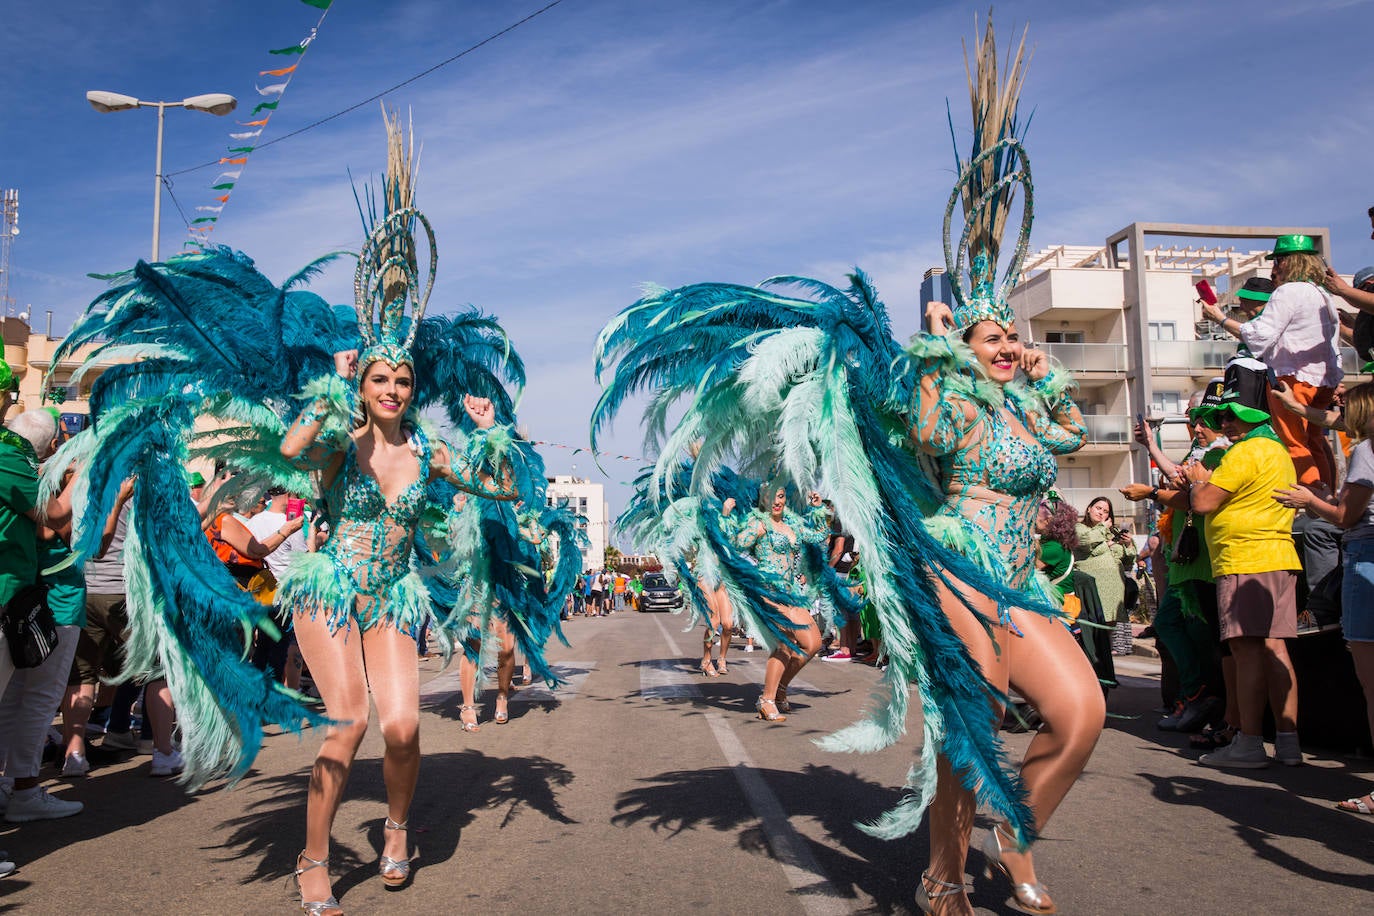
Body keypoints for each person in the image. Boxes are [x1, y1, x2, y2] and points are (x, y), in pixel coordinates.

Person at [1182, 361, 1302, 768]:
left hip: (1245, 560)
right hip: (1277, 558)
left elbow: (1202, 503)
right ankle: (1287, 741)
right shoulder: (1276, 451)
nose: (1226, 423)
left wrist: (1199, 478)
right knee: (1274, 648)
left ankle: (1249, 743)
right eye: (1224, 417)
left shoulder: (1244, 453)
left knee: (1247, 651)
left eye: (1232, 417)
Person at [1272, 381, 1374, 811]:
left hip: (1367, 554)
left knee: (1372, 683)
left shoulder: (1366, 450)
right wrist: (1292, 405)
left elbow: (1346, 516)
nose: (1338, 412)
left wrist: (1307, 500)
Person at [1121, 384, 1230, 734]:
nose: (1195, 427)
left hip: (1202, 560)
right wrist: (1151, 446)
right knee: (1171, 626)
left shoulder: (1220, 453)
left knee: (1201, 636)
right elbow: (1180, 481)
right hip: (1184, 557)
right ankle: (1196, 697)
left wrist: (1151, 491)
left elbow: (1189, 497)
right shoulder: (1202, 452)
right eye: (1192, 419)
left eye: (1202, 419)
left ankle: (1205, 700)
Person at [1202, 235, 1342, 489]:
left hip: (1293, 378)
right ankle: (1326, 494)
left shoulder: (1288, 292)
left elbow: (1259, 336)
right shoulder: (1321, 294)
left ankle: (1311, 498)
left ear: (1289, 261)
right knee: (1315, 441)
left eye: (1277, 261)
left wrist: (1220, 319)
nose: (1274, 267)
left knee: (1294, 442)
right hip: (1324, 379)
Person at [719, 485, 828, 720]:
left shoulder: (793, 524)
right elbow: (734, 544)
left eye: (779, 497)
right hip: (769, 591)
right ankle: (766, 700)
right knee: (785, 643)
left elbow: (818, 536)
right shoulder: (759, 524)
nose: (776, 502)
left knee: (813, 643)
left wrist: (818, 509)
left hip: (791, 594)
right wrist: (726, 515)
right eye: (770, 498)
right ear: (762, 501)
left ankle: (780, 689)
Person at [1074, 497, 1137, 656]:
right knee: (1091, 629)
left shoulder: (1112, 532)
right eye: (1098, 508)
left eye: (1106, 511)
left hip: (1113, 588)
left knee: (1107, 631)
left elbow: (1128, 559)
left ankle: (1104, 670)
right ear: (1089, 508)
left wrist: (1128, 544)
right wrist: (1103, 528)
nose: (1101, 512)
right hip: (1093, 587)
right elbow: (1085, 542)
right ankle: (1091, 667)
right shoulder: (1079, 528)